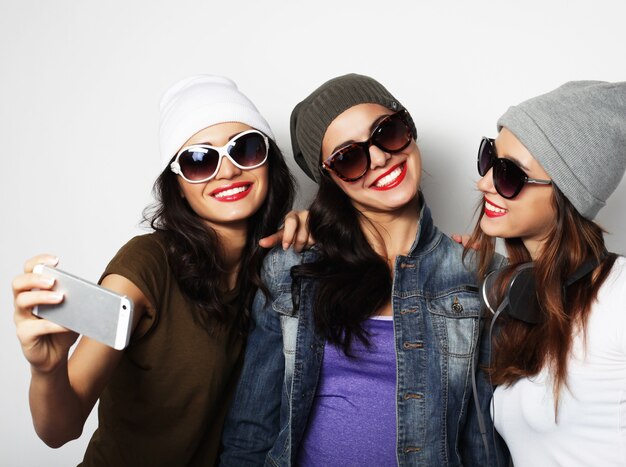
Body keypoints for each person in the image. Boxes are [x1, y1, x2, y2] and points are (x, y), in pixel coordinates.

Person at [220, 73, 508, 467]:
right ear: (331, 180)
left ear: (408, 127)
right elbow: (251, 428)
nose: (378, 158)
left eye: (387, 132)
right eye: (348, 157)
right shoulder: (292, 268)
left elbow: (482, 440)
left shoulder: (479, 276)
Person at [11, 75, 296, 466]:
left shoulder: (274, 268)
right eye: (200, 160)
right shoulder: (145, 266)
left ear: (268, 162)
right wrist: (47, 369)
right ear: (177, 185)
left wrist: (318, 231)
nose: (227, 171)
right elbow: (60, 430)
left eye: (244, 149)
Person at [468, 81, 626, 466]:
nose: (483, 182)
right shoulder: (520, 298)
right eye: (490, 158)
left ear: (567, 194)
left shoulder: (620, 297)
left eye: (509, 175)